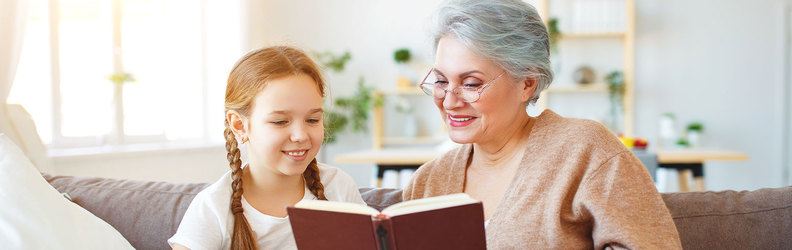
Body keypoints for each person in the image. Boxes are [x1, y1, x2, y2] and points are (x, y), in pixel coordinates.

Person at [403, 0, 682, 248]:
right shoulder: (428, 182)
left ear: (527, 84)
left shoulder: (584, 150)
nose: (449, 101)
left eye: (471, 83)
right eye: (441, 81)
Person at [169, 46, 365, 250]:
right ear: (239, 125)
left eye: (312, 119)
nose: (300, 135)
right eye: (280, 121)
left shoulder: (338, 187)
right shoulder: (213, 207)